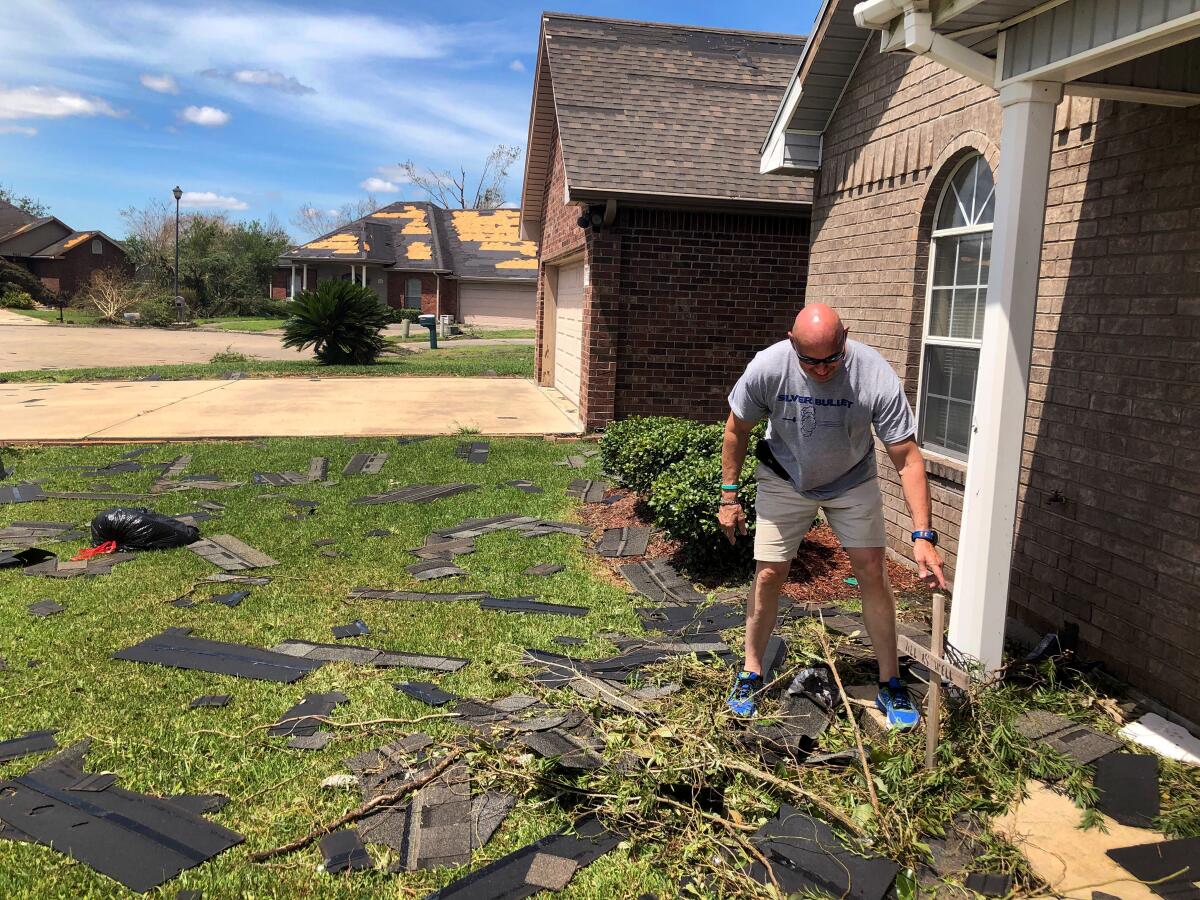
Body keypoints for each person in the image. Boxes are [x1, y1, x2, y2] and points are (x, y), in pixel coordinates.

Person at [718, 303, 946, 729]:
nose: (822, 370)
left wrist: (922, 534)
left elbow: (908, 458)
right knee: (769, 572)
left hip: (851, 480)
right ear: (792, 342)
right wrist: (729, 497)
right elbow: (737, 429)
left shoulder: (873, 374)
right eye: (810, 361)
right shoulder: (768, 367)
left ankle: (890, 681)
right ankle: (751, 672)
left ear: (846, 337)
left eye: (831, 359)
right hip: (785, 477)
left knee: (872, 570)